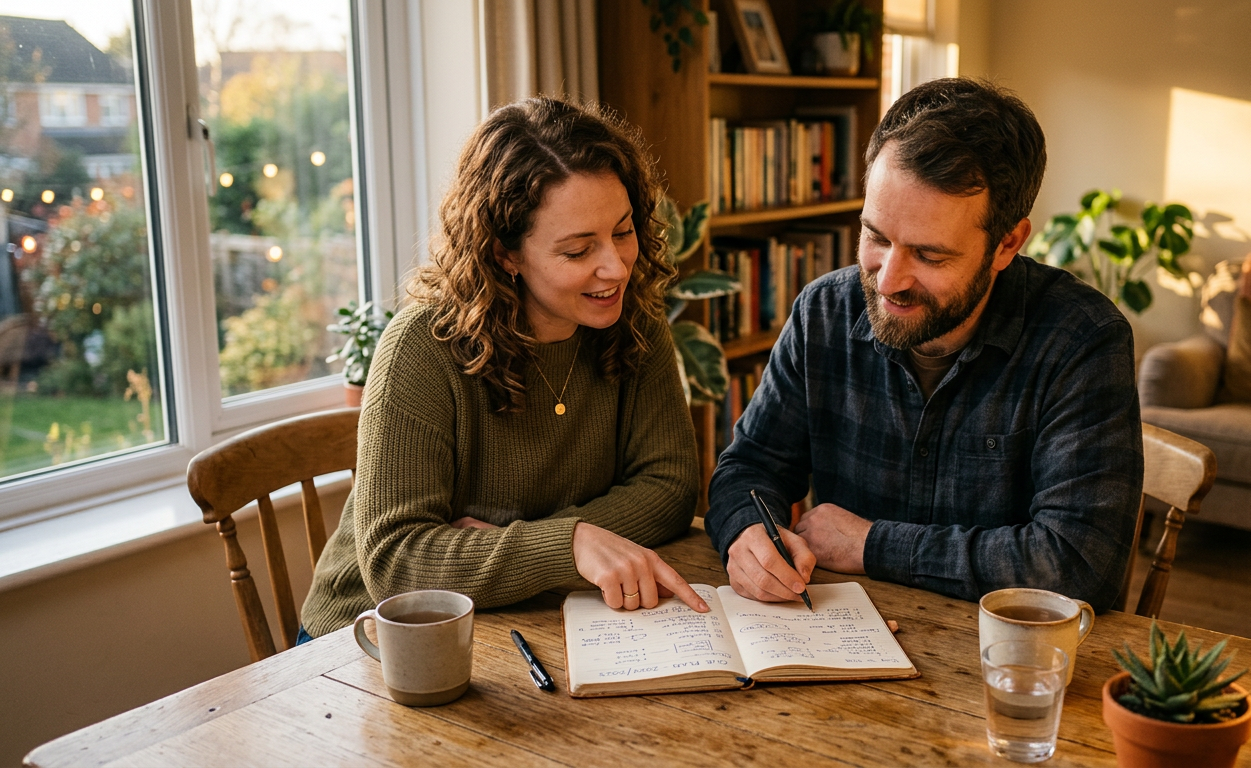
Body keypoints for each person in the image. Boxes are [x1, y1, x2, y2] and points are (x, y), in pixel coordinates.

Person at [704, 78, 1143, 612]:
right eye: (876, 237)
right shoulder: (824, 312)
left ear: (1007, 243)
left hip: (998, 666)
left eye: (930, 256)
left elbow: (1077, 563)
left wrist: (870, 545)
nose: (887, 281)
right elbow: (749, 468)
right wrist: (745, 532)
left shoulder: (1081, 341)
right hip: (835, 642)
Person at [301, 97, 709, 641]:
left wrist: (533, 545)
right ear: (504, 255)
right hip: (373, 638)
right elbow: (397, 561)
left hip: (534, 612)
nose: (614, 266)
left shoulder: (634, 319)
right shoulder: (421, 348)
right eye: (577, 250)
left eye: (623, 230)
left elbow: (671, 488)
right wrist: (569, 546)